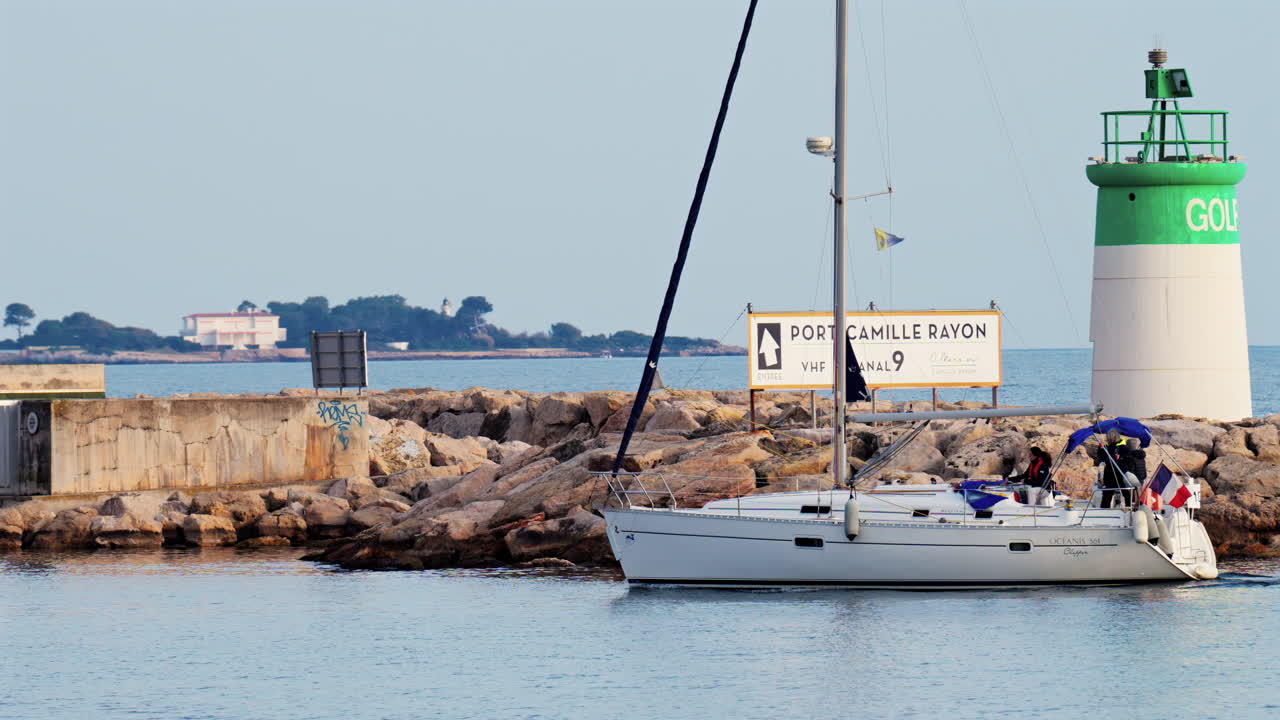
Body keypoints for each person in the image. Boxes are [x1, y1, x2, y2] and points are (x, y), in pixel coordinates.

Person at [1098, 430, 1139, 508]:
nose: (1107, 439)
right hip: (1109, 474)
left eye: (1108, 437)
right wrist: (1101, 448)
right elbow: (1101, 458)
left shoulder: (1124, 447)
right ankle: (1104, 510)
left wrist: (1121, 458)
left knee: (1126, 493)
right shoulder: (1107, 447)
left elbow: (1130, 460)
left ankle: (1129, 508)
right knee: (1107, 494)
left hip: (1120, 473)